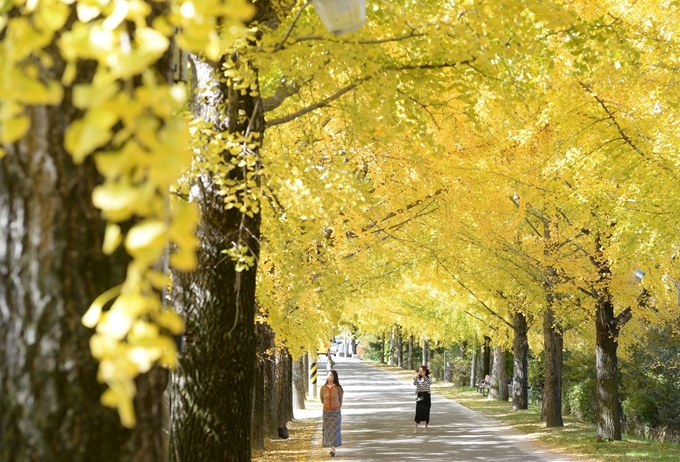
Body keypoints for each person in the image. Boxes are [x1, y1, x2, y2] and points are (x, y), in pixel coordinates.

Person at [320, 369, 344, 457]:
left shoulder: (338, 388)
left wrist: (336, 406)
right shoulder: (323, 388)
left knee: (335, 431)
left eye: (331, 375)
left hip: (336, 412)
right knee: (328, 431)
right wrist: (327, 406)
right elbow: (322, 400)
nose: (329, 377)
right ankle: (331, 447)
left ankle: (333, 449)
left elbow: (340, 400)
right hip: (326, 412)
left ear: (335, 377)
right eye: (328, 375)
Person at [412, 365, 432, 434]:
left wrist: (424, 376)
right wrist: (417, 376)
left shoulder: (428, 378)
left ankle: (426, 428)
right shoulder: (417, 378)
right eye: (421, 371)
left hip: (427, 395)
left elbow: (430, 383)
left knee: (426, 411)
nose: (422, 372)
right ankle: (415, 429)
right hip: (420, 395)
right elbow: (414, 383)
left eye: (423, 371)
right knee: (418, 411)